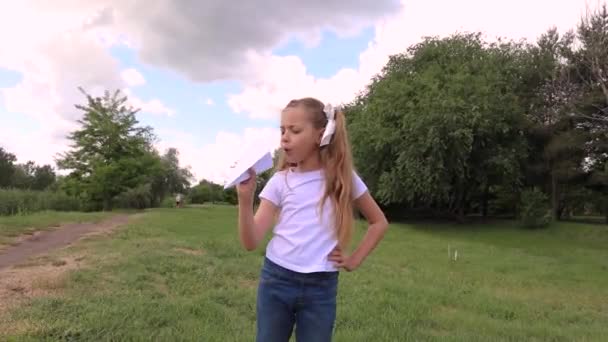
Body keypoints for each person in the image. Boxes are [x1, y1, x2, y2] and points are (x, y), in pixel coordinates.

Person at [236, 97, 389, 342]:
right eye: (282, 130)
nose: (285, 137)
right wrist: (245, 200)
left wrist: (353, 260)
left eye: (294, 130)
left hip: (321, 288)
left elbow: (379, 222)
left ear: (320, 136)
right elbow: (251, 241)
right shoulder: (280, 181)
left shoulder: (342, 178)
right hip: (276, 280)